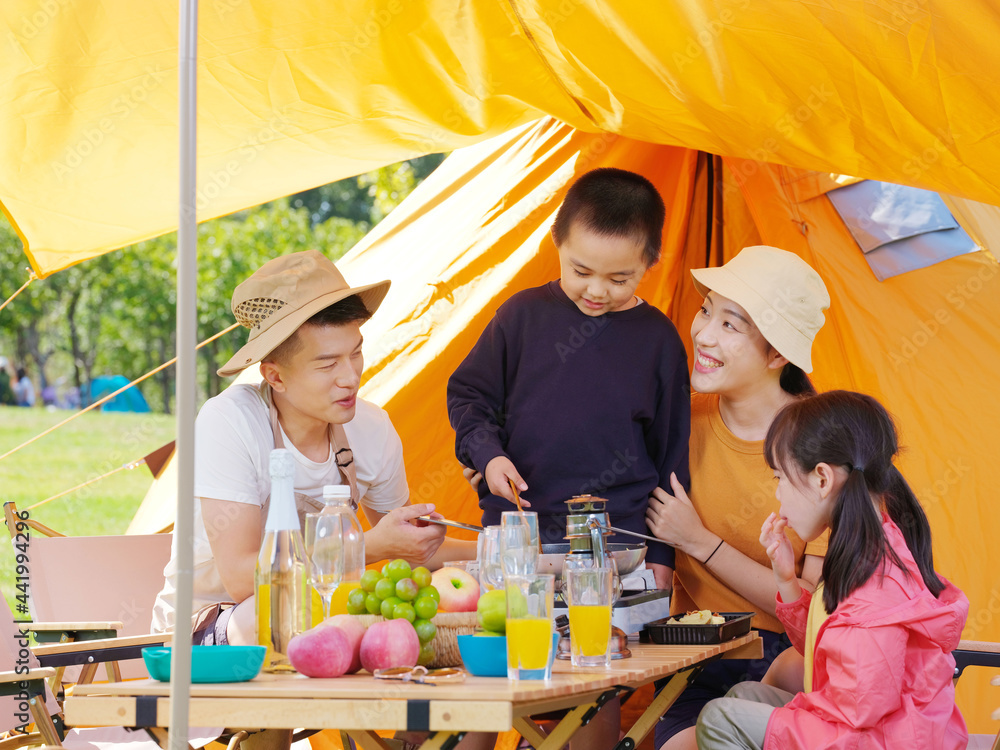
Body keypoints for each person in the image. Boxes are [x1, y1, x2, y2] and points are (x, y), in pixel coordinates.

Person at [151, 250, 451, 644]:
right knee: (278, 614)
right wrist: (367, 547)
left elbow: (408, 545)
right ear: (275, 376)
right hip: (211, 629)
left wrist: (512, 550)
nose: (350, 378)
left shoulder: (372, 427)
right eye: (327, 364)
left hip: (322, 616)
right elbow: (242, 579)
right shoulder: (229, 422)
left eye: (356, 352)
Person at [447, 167, 691, 589]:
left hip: (621, 548)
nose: (597, 291)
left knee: (612, 651)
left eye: (619, 279)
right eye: (581, 271)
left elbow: (672, 457)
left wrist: (664, 558)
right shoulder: (520, 316)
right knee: (522, 650)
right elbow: (470, 396)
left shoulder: (659, 339)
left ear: (649, 262)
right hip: (518, 540)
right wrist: (487, 456)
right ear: (557, 242)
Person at [696, 390, 969, 749]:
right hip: (872, 729)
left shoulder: (874, 587)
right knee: (744, 695)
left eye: (779, 478)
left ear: (822, 479)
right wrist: (787, 581)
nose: (778, 496)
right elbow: (828, 648)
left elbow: (856, 715)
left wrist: (794, 716)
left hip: (881, 740)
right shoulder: (866, 549)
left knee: (720, 718)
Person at [645, 246, 831, 750]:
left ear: (777, 354)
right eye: (707, 310)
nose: (703, 334)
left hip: (788, 662)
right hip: (690, 652)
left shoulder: (826, 448)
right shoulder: (677, 422)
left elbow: (813, 608)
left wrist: (699, 542)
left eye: (731, 325)